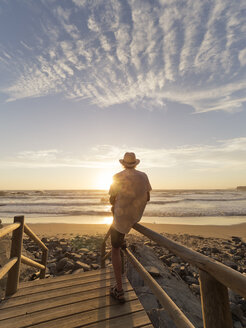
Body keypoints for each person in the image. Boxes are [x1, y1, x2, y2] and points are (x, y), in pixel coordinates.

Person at [108, 152, 152, 303]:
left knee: (114, 249)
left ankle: (119, 290)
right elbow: (147, 197)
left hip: (121, 219)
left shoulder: (117, 176)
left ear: (123, 164)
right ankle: (122, 241)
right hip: (135, 216)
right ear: (136, 163)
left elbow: (111, 199)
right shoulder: (144, 176)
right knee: (120, 239)